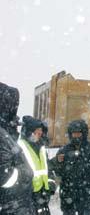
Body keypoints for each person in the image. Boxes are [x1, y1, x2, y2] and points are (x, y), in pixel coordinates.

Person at [53, 119, 90, 215]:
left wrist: (87, 167)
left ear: (84, 133)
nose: (76, 136)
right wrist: (59, 162)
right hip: (68, 192)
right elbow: (57, 171)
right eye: (74, 133)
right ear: (70, 134)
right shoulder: (63, 150)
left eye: (78, 133)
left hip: (85, 191)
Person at [0, 82, 35, 215]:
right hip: (12, 206)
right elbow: (3, 175)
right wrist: (23, 175)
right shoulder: (2, 136)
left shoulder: (5, 133)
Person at [18, 116, 57, 215]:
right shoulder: (20, 148)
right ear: (29, 132)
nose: (39, 135)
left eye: (41, 133)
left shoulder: (41, 148)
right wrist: (28, 191)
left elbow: (47, 168)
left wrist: (50, 183)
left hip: (42, 196)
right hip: (28, 198)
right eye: (37, 132)